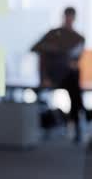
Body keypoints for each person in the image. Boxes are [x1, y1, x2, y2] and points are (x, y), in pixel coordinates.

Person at [32, 7, 86, 142]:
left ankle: (77, 122)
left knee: (75, 80)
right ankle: (82, 115)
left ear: (74, 19)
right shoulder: (53, 34)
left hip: (68, 77)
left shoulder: (78, 38)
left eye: (71, 17)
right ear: (64, 17)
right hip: (52, 76)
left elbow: (76, 60)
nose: (68, 20)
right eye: (67, 17)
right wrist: (44, 77)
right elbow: (37, 49)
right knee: (75, 88)